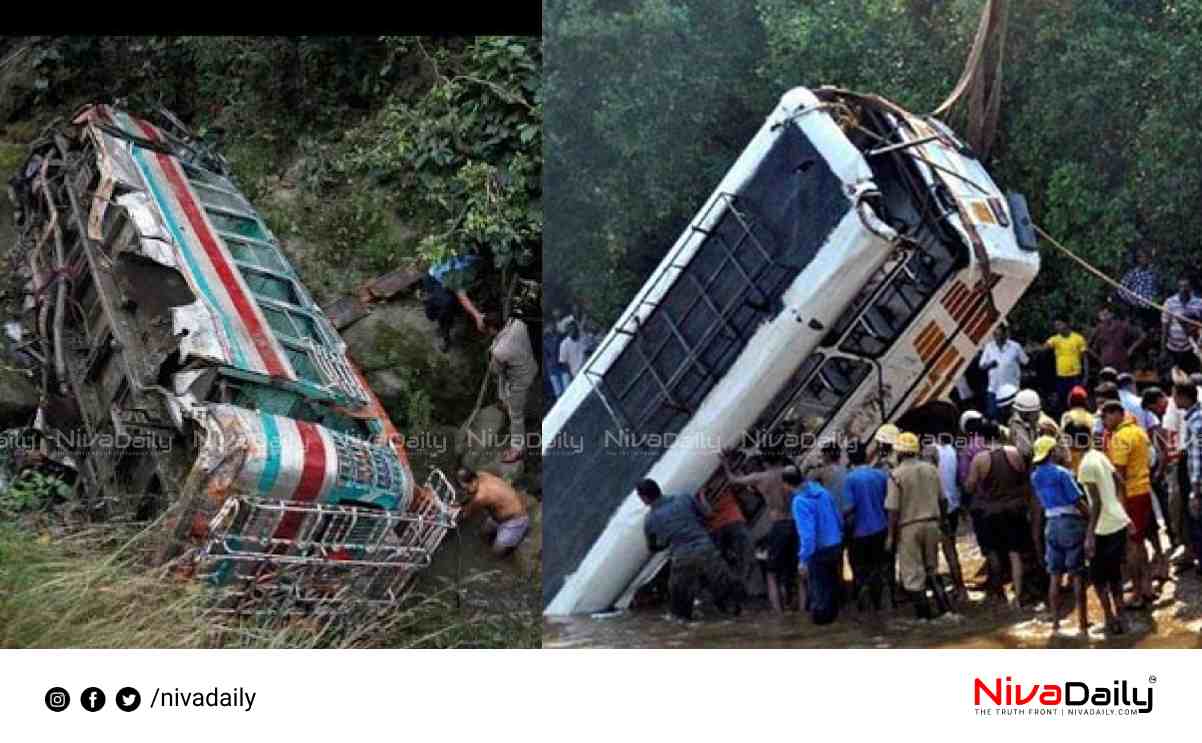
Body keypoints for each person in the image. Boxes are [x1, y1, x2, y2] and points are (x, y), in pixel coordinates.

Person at [638, 478, 743, 620]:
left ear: (644, 498)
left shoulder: (650, 519)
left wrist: (666, 542)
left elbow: (653, 547)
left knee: (680, 607)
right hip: (706, 548)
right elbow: (705, 517)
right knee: (726, 592)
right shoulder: (684, 498)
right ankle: (735, 621)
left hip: (682, 557)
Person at [1067, 421, 1132, 635]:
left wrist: (1089, 536)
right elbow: (1120, 482)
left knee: (1098, 578)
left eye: (1067, 439)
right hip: (1117, 522)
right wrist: (1123, 511)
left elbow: (1095, 503)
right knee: (1115, 575)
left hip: (1103, 528)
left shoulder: (1085, 465)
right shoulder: (1100, 455)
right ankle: (1121, 616)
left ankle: (1109, 617)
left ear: (1075, 440)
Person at [966, 420, 1033, 606]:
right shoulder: (1014, 453)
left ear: (982, 437)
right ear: (999, 434)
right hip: (1015, 510)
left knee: (993, 553)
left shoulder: (979, 459)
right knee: (1015, 553)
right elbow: (1024, 479)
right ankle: (1018, 596)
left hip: (991, 512)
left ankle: (1000, 594)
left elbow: (970, 486)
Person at [1029, 435, 1089, 634]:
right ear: (1052, 452)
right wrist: (1092, 519)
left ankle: (1055, 623)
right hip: (1070, 523)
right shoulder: (1062, 473)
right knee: (1077, 574)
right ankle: (1082, 622)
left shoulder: (1035, 476)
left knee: (1055, 575)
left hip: (1051, 525)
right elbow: (1077, 501)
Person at [723, 454, 797, 612]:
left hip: (778, 525)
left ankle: (779, 614)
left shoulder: (760, 477)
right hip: (795, 524)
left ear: (764, 462)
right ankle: (799, 611)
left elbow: (733, 480)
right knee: (792, 572)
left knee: (772, 573)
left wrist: (725, 463)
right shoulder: (789, 472)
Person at [1101, 400, 1157, 609]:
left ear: (1116, 414)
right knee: (1140, 542)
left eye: (1105, 417)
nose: (1104, 422)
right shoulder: (1139, 431)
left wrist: (1119, 506)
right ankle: (1147, 587)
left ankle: (1137, 594)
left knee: (1131, 546)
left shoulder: (1121, 438)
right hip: (1143, 491)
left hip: (1131, 496)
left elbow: (1119, 476)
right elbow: (1152, 459)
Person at [885, 432, 947, 618]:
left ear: (899, 453)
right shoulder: (931, 469)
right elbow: (943, 500)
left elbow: (893, 509)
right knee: (932, 570)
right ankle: (946, 611)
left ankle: (925, 618)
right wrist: (943, 521)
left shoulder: (895, 475)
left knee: (913, 577)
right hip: (932, 524)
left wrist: (890, 536)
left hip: (909, 527)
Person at [792, 474, 844, 625]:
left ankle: (821, 631)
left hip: (818, 550)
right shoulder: (824, 493)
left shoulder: (799, 501)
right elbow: (838, 518)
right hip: (834, 546)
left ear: (787, 484)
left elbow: (808, 535)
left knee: (819, 594)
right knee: (832, 589)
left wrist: (803, 560)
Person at [490, 316, 537, 463]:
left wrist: (493, 351)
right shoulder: (518, 323)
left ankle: (517, 448)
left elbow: (495, 370)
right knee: (504, 379)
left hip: (520, 380)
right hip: (530, 366)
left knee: (516, 415)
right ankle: (505, 402)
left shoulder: (500, 351)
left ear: (491, 329)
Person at [456, 468, 530, 556]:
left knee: (496, 552)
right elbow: (469, 498)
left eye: (466, 488)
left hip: (515, 520)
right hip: (499, 515)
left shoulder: (481, 497)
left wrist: (455, 515)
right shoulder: (481, 474)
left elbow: (466, 513)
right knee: (483, 533)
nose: (466, 491)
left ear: (474, 481)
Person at [422, 253, 487, 351]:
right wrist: (477, 315)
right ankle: (445, 335)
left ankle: (437, 309)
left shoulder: (473, 258)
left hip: (446, 277)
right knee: (447, 303)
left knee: (451, 302)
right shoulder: (458, 269)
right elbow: (462, 296)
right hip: (434, 279)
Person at [931, 436, 969, 602]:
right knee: (950, 549)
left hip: (938, 507)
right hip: (952, 505)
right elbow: (958, 479)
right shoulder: (952, 450)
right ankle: (960, 588)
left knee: (931, 553)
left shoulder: (929, 452)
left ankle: (938, 594)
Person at [1175, 380, 1202, 572]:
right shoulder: (1195, 418)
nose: (1173, 399)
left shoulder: (1196, 422)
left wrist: (1195, 488)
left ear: (1184, 397)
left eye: (1175, 395)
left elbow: (1197, 457)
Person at [700, 484, 750, 586]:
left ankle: (742, 586)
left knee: (733, 561)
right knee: (744, 558)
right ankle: (742, 585)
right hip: (725, 523)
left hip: (721, 525)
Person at [980, 324, 1029, 422]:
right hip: (994, 390)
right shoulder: (989, 347)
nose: (997, 337)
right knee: (994, 419)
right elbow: (981, 366)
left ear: (1005, 334)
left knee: (1016, 418)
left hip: (1012, 390)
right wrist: (990, 364)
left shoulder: (1015, 346)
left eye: (999, 334)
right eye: (995, 335)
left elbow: (1025, 361)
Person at [1045, 320, 1088, 418]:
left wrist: (1085, 376)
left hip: (1075, 376)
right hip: (1061, 377)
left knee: (1077, 401)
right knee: (1063, 404)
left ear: (1066, 324)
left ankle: (1079, 421)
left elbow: (1085, 358)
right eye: (1055, 326)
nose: (1057, 327)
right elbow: (1044, 349)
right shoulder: (1055, 339)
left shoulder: (1078, 338)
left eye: (1059, 324)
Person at [1162, 277, 1202, 375]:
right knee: (1173, 376)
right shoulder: (1169, 302)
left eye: (1186, 286)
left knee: (1191, 376)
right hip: (1172, 347)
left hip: (1191, 348)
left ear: (1191, 288)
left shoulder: (1199, 303)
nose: (1183, 289)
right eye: (1181, 286)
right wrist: (1163, 349)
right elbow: (1165, 327)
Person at [1089, 305, 1145, 375]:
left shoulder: (1123, 326)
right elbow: (1087, 346)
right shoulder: (1098, 329)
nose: (1103, 317)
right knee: (1108, 384)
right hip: (1106, 364)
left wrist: (1131, 350)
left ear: (1112, 314)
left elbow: (1142, 336)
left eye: (1105, 314)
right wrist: (1098, 358)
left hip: (1122, 363)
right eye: (1101, 315)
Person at [1116, 248, 1161, 330]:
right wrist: (1131, 300)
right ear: (1138, 259)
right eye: (1141, 257)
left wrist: (1154, 300)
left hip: (1149, 307)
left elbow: (1158, 289)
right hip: (1134, 307)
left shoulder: (1154, 273)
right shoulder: (1133, 273)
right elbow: (1121, 289)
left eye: (1146, 257)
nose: (1144, 260)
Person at [1060, 386, 1095, 473]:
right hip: (1087, 462)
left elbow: (1064, 439)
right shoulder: (1091, 417)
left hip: (1071, 463)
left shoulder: (1066, 416)